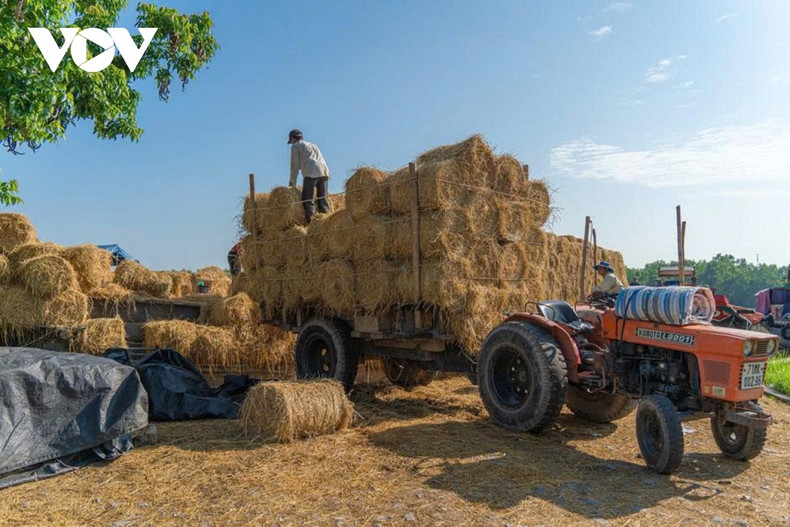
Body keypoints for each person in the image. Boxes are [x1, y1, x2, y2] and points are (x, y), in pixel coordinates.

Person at [288, 129, 331, 222]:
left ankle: (312, 224)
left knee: (308, 199)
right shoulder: (313, 145)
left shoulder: (295, 146)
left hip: (311, 173)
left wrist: (292, 182)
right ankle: (328, 223)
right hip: (324, 172)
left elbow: (294, 166)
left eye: (290, 141)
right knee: (322, 199)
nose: (291, 143)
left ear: (292, 139)